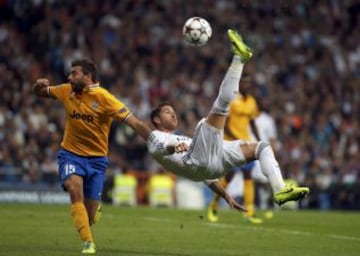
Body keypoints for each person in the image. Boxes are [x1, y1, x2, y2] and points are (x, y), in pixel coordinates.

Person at [147, 29, 309, 216]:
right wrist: (174, 148)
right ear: (156, 120)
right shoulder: (156, 137)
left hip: (212, 164)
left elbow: (206, 175)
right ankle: (239, 59)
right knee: (212, 114)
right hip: (200, 160)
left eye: (173, 110)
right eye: (167, 112)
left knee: (262, 147)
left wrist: (226, 196)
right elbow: (163, 147)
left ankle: (280, 190)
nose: (173, 114)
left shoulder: (182, 140)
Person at [32, 59, 151, 254]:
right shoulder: (65, 91)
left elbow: (135, 123)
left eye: (74, 74)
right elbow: (40, 93)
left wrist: (154, 141)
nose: (70, 77)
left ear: (87, 77)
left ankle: (92, 217)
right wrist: (37, 86)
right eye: (70, 74)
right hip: (70, 155)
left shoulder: (105, 98)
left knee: (89, 218)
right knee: (74, 187)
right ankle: (88, 243)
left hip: (97, 161)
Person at [207, 73, 263, 224]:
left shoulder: (251, 101)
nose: (247, 86)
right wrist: (237, 139)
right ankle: (213, 206)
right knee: (229, 177)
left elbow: (252, 122)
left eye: (249, 83)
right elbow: (224, 123)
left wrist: (258, 140)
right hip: (230, 143)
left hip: (244, 143)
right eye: (244, 83)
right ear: (239, 85)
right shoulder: (233, 100)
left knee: (248, 175)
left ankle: (249, 213)